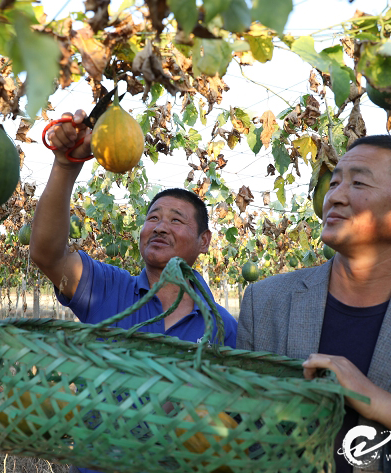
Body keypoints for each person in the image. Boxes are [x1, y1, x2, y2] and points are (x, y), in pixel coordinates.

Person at [237, 135, 391, 473]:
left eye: (358, 183)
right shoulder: (266, 303)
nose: (334, 196)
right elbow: (239, 428)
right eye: (335, 181)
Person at [31, 109, 238, 473]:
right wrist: (65, 167)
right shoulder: (108, 288)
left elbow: (227, 424)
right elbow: (47, 254)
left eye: (176, 220)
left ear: (204, 240)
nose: (160, 226)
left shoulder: (221, 327)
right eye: (153, 218)